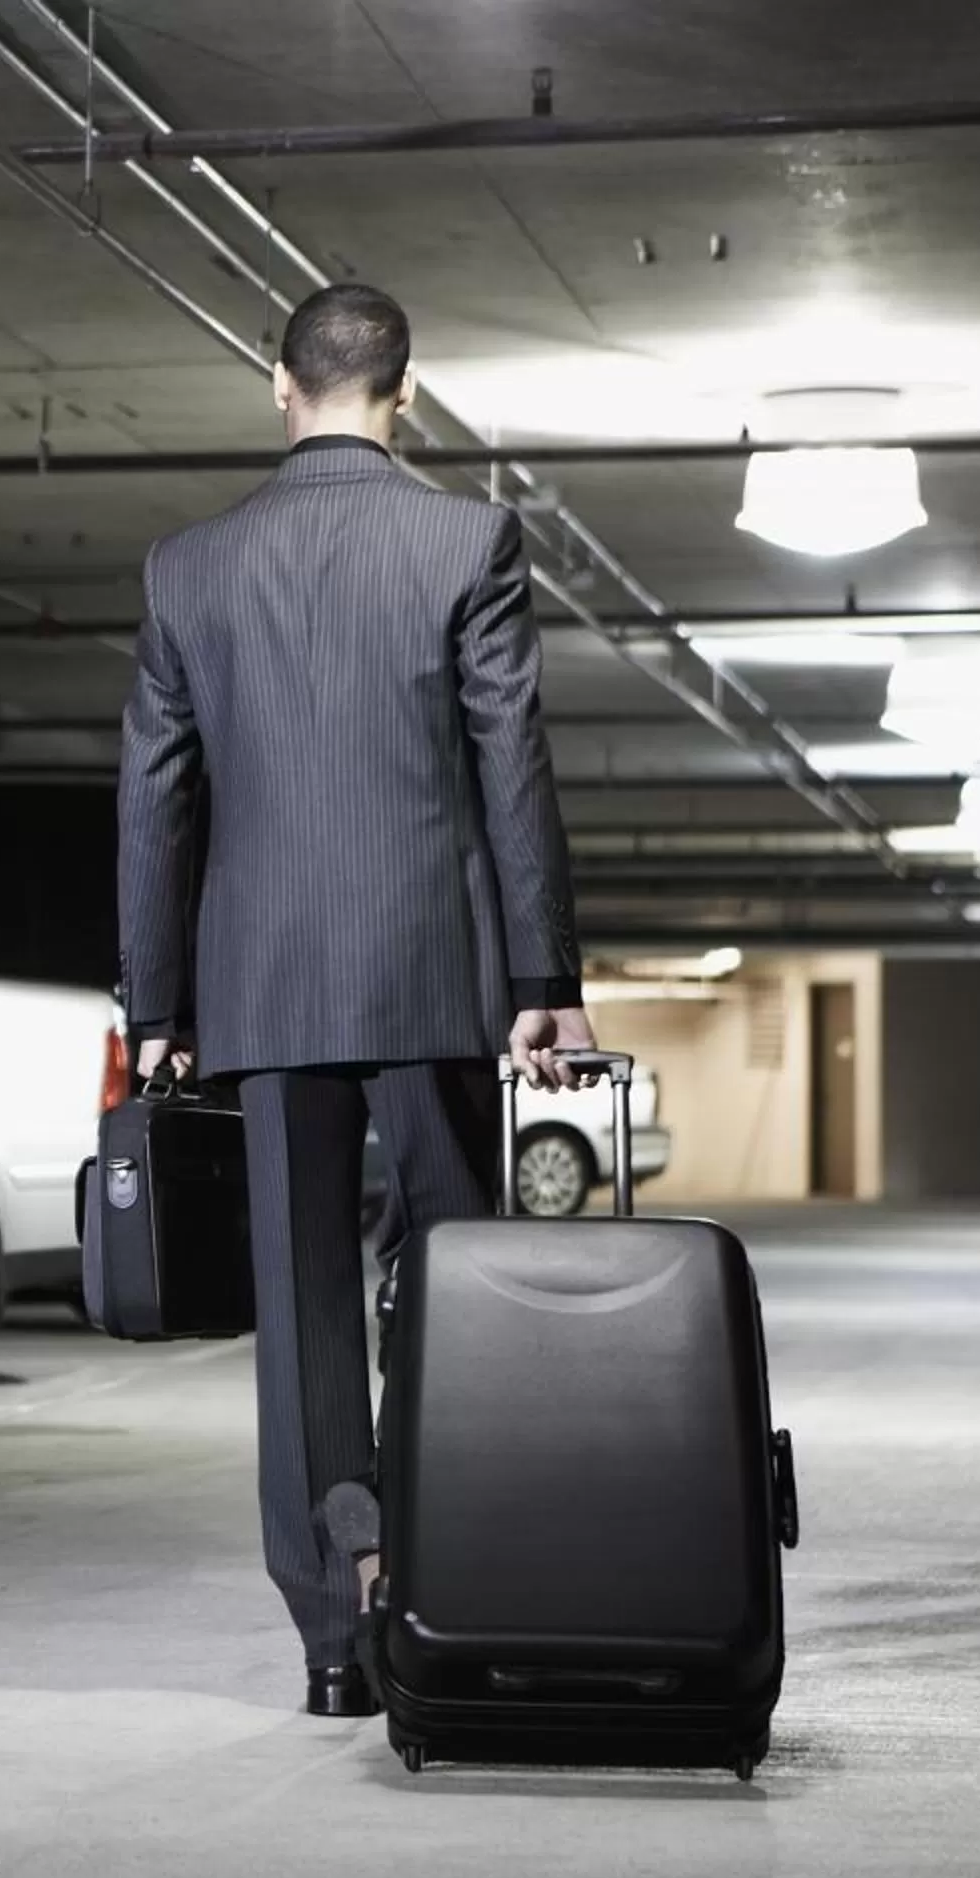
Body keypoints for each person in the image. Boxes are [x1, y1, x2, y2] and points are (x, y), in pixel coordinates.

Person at [116, 282, 594, 1719]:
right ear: (404, 390)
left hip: (263, 989)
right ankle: (455, 1584)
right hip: (435, 980)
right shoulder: (466, 541)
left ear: (281, 386)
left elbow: (153, 797)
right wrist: (542, 978)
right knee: (459, 1282)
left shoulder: (189, 568)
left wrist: (157, 998)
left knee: (304, 1305)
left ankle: (336, 1627)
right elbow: (511, 765)